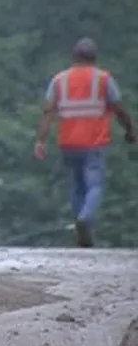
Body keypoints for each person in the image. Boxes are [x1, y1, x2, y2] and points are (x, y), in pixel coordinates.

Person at [33, 37, 135, 247]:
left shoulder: (59, 80)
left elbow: (48, 113)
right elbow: (119, 109)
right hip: (94, 143)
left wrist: (40, 141)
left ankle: (81, 227)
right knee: (94, 185)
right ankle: (85, 219)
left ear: (74, 56)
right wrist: (130, 130)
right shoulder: (103, 79)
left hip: (68, 143)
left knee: (76, 187)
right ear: (95, 57)